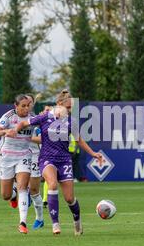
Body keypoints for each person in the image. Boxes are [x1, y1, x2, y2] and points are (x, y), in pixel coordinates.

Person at [7, 90, 102, 236]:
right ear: (59, 104)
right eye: (68, 107)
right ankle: (55, 224)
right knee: (51, 184)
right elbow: (25, 122)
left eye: (72, 108)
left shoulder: (71, 122)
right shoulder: (45, 117)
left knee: (69, 198)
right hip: (47, 158)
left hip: (64, 160)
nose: (71, 110)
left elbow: (79, 140)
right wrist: (15, 130)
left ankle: (77, 220)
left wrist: (93, 153)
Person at [0, 94, 43, 234]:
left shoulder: (32, 118)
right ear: (16, 106)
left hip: (24, 155)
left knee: (23, 187)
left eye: (28, 105)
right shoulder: (8, 116)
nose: (26, 108)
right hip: (7, 156)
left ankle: (22, 223)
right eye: (23, 106)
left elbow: (41, 134)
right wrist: (6, 131)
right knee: (5, 195)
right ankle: (12, 196)